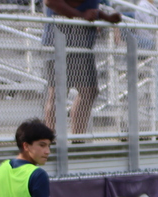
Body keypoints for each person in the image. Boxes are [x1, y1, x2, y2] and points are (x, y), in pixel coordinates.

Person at [42, 0, 122, 136]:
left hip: (84, 43)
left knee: (89, 91)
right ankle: (49, 140)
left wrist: (106, 17)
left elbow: (91, 9)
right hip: (58, 38)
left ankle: (78, 138)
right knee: (57, 93)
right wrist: (80, 15)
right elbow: (50, 2)